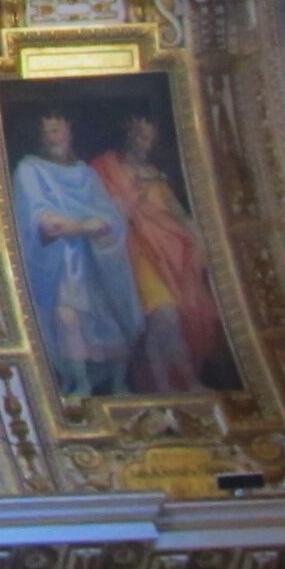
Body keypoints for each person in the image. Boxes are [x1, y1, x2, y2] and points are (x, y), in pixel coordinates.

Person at [92, 114, 233, 393]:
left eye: (149, 138)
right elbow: (103, 212)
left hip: (167, 254)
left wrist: (199, 236)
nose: (143, 142)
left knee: (166, 323)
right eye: (139, 134)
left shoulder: (155, 174)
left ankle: (172, 385)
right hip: (133, 254)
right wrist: (131, 201)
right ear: (128, 132)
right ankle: (179, 383)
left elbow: (177, 213)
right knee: (164, 316)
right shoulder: (106, 168)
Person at [12, 111, 143, 397]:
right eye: (46, 131)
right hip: (59, 265)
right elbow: (43, 221)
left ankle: (117, 384)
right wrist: (85, 225)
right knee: (67, 318)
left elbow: (109, 218)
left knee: (108, 321)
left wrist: (93, 226)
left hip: (94, 263)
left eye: (57, 129)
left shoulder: (86, 173)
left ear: (69, 131)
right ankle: (79, 383)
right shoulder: (30, 169)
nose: (52, 137)